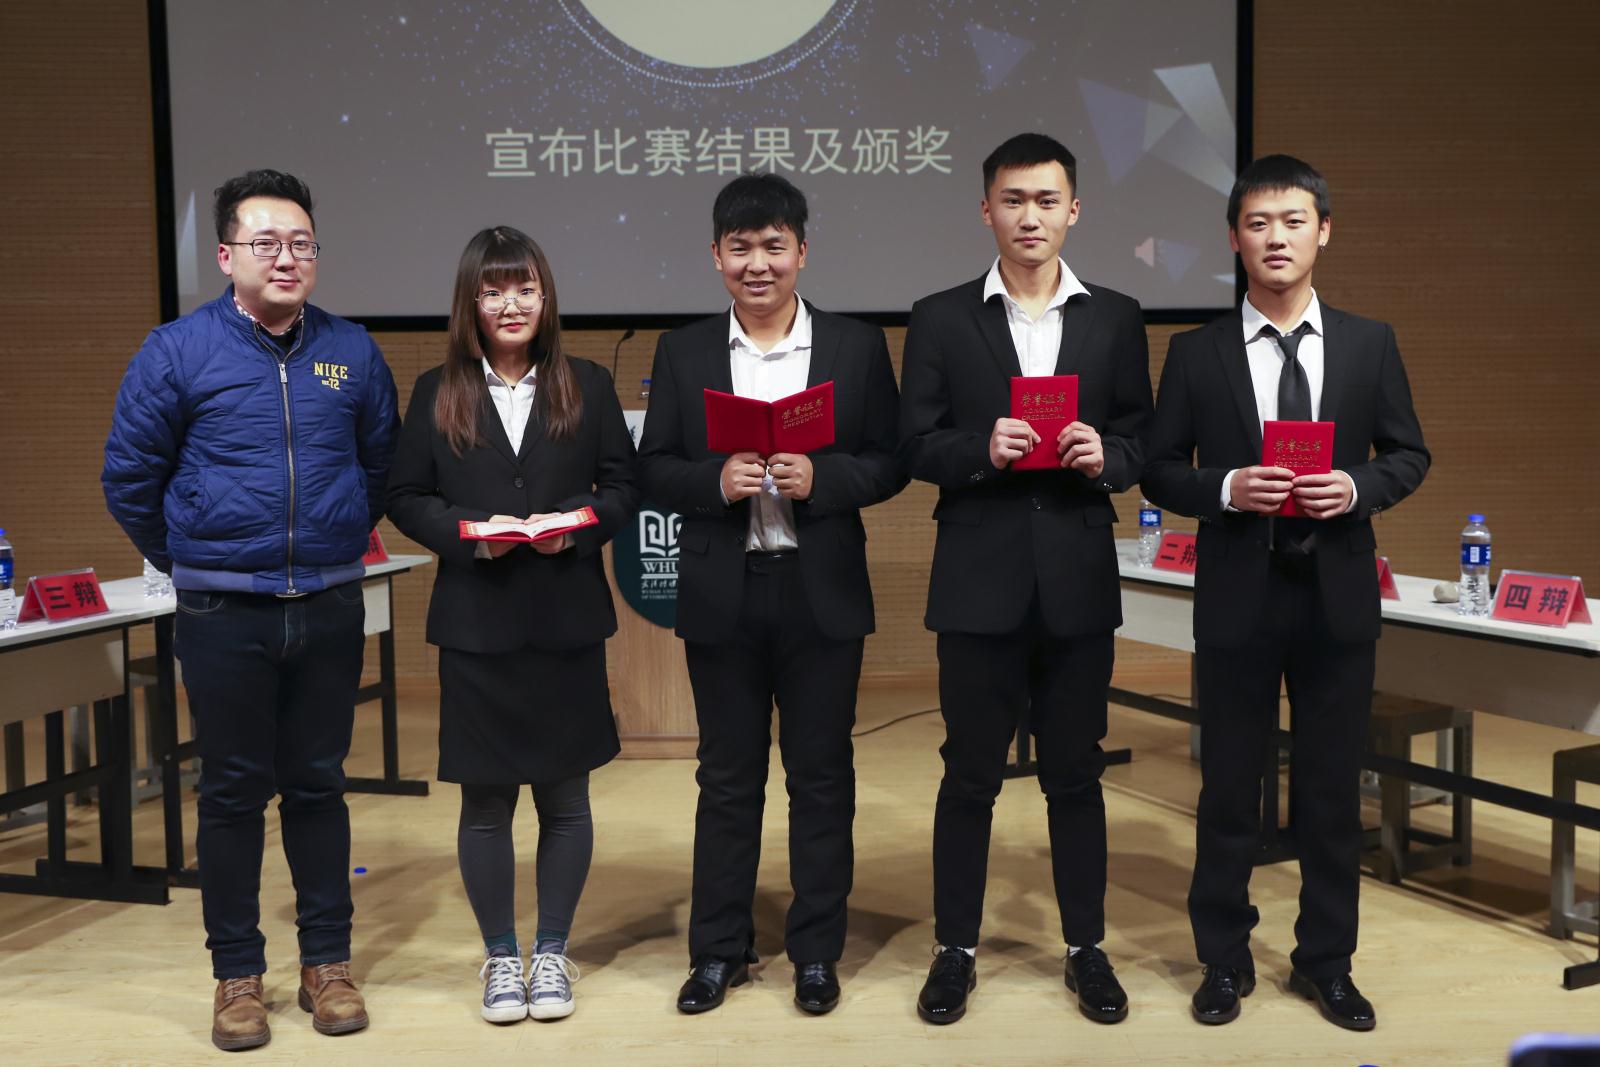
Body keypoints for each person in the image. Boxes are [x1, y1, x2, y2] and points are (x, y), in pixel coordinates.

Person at [102, 169, 398, 1051]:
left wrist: (335, 537)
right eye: (266, 243)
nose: (286, 258)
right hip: (223, 612)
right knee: (232, 791)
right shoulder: (176, 351)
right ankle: (236, 976)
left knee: (319, 785)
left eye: (301, 243)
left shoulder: (352, 350)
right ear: (226, 255)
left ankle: (327, 965)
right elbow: (130, 479)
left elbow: (379, 468)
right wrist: (197, 557)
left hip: (329, 603)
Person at [1141, 154, 1429, 1031]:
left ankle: (1326, 963)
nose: (1276, 238)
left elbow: (1408, 452)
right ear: (1234, 237)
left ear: (1323, 232)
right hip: (1241, 592)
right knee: (1230, 789)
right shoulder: (1195, 352)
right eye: (1258, 223)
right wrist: (1228, 487)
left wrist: (1359, 487)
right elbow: (1159, 468)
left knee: (1332, 794)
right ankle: (1223, 959)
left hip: (1337, 597)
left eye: (1294, 221)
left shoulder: (1370, 341)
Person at [898, 133, 1153, 1026]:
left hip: (1077, 577)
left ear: (1073, 209)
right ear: (986, 210)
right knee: (969, 773)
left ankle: (1086, 948)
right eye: (1013, 200)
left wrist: (1107, 456)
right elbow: (913, 442)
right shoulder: (940, 316)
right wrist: (982, 448)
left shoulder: (1116, 316)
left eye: (1047, 200)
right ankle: (955, 950)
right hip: (978, 579)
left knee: (1075, 774)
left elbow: (1143, 438)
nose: (1030, 216)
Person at [636, 173, 906, 1016]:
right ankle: (718, 949)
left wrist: (824, 477)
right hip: (724, 589)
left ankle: (816, 951)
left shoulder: (855, 346)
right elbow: (653, 466)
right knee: (727, 778)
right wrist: (712, 480)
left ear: (802, 251)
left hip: (821, 589)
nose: (759, 264)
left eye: (774, 246)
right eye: (741, 248)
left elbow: (892, 460)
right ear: (716, 256)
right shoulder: (683, 351)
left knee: (821, 776)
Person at [385, 226, 638, 1024]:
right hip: (477, 624)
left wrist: (578, 525)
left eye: (525, 288)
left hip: (566, 620)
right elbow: (405, 496)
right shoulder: (437, 390)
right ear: (470, 303)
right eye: (493, 291)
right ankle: (501, 956)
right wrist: (469, 532)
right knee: (485, 803)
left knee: (566, 799)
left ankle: (552, 951)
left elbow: (624, 487)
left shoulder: (588, 382)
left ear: (545, 296)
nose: (511, 304)